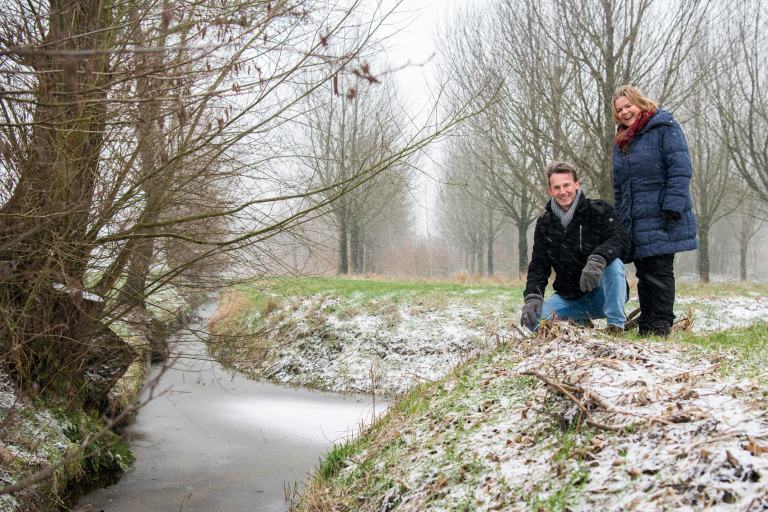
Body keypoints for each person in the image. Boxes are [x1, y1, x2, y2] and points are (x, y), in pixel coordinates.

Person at [611, 85, 698, 337]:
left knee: (659, 270)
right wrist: (619, 217)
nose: (625, 112)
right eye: (620, 110)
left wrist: (673, 204)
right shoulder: (622, 141)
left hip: (662, 214)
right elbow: (619, 184)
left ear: (640, 102)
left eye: (629, 106)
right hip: (635, 218)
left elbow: (680, 167)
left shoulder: (664, 127)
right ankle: (648, 323)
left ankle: (660, 326)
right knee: (644, 271)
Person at [521, 161, 631, 333]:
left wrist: (598, 258)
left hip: (604, 295)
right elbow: (539, 265)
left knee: (614, 262)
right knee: (534, 322)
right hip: (570, 297)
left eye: (567, 185)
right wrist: (533, 296)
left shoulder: (599, 210)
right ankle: (579, 322)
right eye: (556, 187)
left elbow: (620, 240)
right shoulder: (545, 223)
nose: (562, 191)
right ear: (550, 191)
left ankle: (616, 325)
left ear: (576, 184)